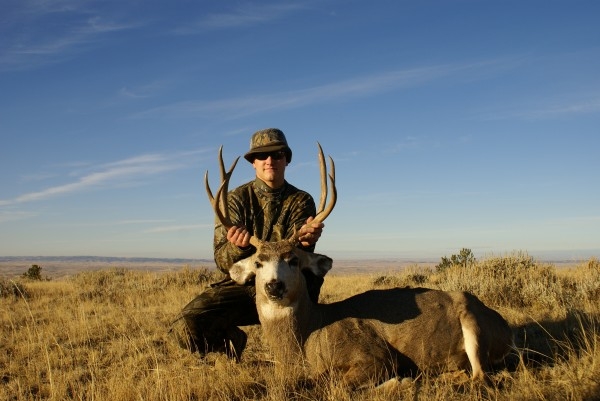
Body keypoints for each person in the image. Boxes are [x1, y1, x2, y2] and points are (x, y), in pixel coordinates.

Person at [171, 128, 325, 360]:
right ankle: (231, 342)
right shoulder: (233, 200)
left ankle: (305, 345)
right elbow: (222, 261)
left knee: (311, 280)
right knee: (184, 328)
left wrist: (307, 240)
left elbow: (299, 254)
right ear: (253, 162)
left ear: (287, 160)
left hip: (285, 283)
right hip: (244, 286)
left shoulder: (301, 200)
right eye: (262, 156)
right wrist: (239, 248)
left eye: (277, 154)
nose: (270, 160)